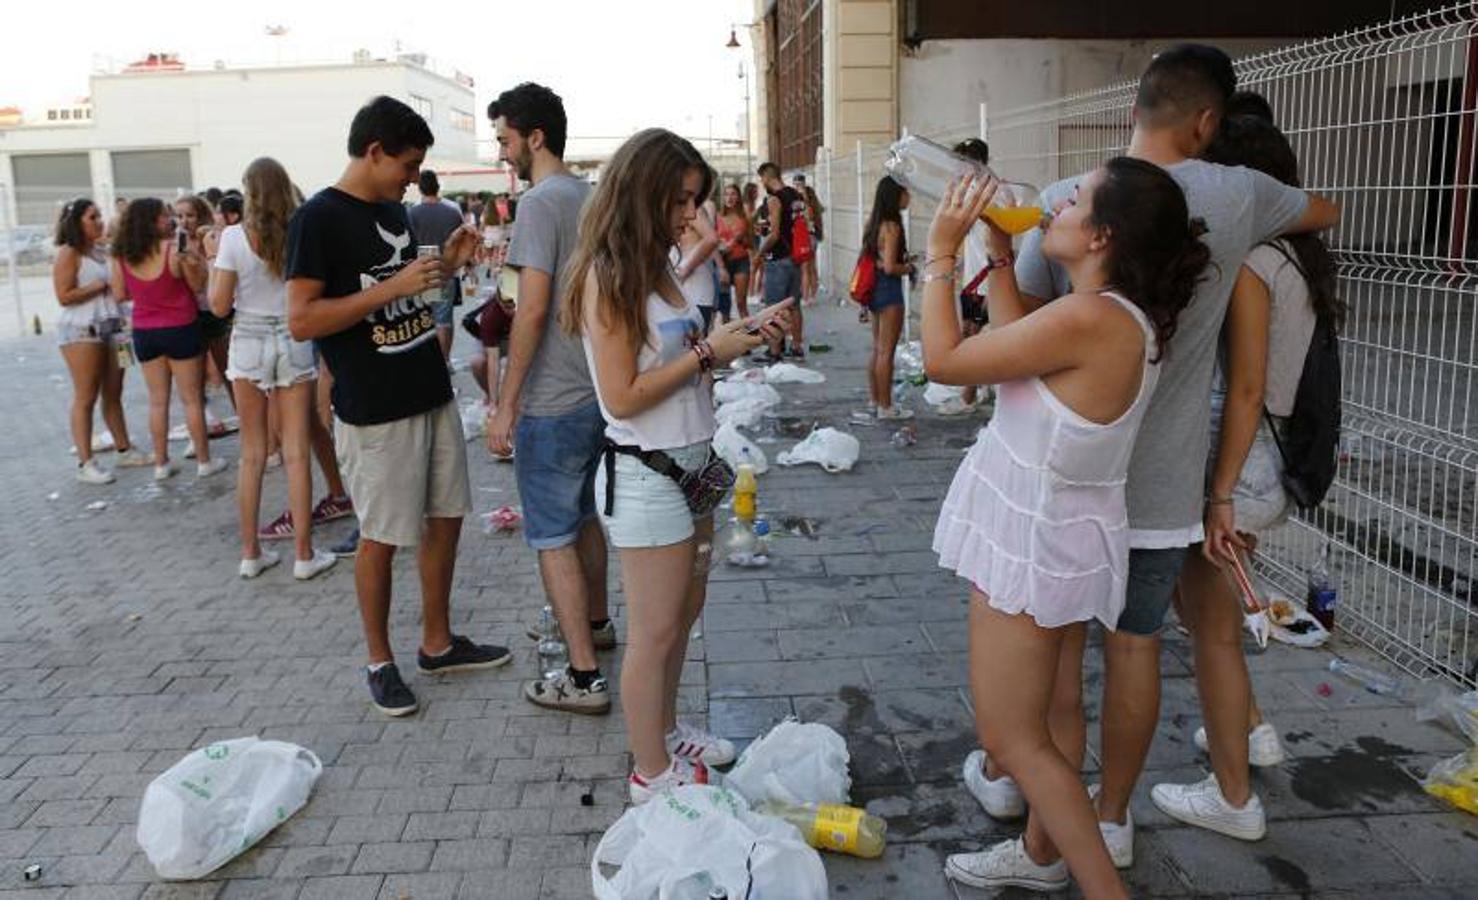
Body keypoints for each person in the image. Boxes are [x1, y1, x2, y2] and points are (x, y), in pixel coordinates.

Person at [967, 44, 1339, 886]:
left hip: (1067, 480)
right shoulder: (1241, 195)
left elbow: (1018, 318)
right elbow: (1326, 210)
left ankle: (1048, 846)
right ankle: (1112, 818)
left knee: (1058, 667)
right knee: (1134, 650)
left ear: (1137, 108)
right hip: (1165, 489)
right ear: (1208, 121)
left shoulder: (1072, 197)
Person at [927, 160, 1209, 899]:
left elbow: (944, 361)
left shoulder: (1092, 317)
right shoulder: (1111, 316)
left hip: (1033, 539)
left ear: (1102, 235)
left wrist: (938, 252)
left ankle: (1099, 887)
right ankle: (1041, 852)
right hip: (1065, 533)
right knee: (1053, 714)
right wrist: (994, 251)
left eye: (1075, 199)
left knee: (1010, 739)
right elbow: (1020, 345)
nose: (1055, 204)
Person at [562, 127, 787, 802]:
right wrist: (708, 355)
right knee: (654, 632)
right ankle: (649, 772)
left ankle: (663, 729)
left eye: (696, 201)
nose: (692, 216)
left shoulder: (663, 265)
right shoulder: (608, 276)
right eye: (681, 201)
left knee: (686, 611)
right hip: (647, 473)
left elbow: (684, 365)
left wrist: (736, 343)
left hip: (697, 462)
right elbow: (625, 396)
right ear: (644, 193)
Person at [1150, 112, 1343, 839]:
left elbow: (1249, 388)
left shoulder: (1256, 264)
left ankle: (1233, 799)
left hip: (1246, 461)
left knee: (1213, 630)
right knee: (1209, 614)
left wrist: (1220, 492)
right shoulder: (1296, 255)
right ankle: (1249, 731)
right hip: (1263, 455)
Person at [286, 95, 509, 717]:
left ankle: (437, 642)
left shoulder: (394, 211)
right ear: (374, 150)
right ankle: (379, 660)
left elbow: (402, 291)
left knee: (446, 517)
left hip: (427, 387)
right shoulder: (317, 219)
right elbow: (301, 320)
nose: (413, 177)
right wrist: (395, 285)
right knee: (381, 537)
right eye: (407, 164)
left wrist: (448, 268)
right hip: (373, 408)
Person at [483, 82, 615, 714]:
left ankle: (583, 676)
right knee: (583, 517)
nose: (503, 152)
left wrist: (506, 404)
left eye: (506, 139)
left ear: (535, 138)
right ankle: (595, 623)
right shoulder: (590, 197)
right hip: (594, 388)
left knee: (552, 534)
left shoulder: (538, 204)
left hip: (552, 396)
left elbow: (529, 309)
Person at [210, 157, 338, 582]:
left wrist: (214, 263)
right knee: (298, 452)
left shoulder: (231, 238)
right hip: (292, 337)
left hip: (247, 339)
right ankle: (304, 554)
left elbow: (218, 305)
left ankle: (251, 553)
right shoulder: (301, 230)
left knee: (252, 453)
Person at [109, 198, 227, 482]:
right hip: (180, 327)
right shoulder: (174, 249)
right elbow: (197, 284)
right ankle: (203, 461)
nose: (171, 220)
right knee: (191, 400)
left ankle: (161, 463)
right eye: (165, 216)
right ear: (152, 221)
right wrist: (193, 257)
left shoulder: (122, 254)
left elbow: (119, 293)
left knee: (157, 401)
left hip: (145, 331)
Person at [52, 198, 148, 482]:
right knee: (86, 394)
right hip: (84, 330)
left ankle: (124, 448)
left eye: (100, 216)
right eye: (93, 217)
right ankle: (86, 462)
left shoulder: (101, 250)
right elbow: (63, 295)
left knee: (114, 390)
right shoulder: (69, 253)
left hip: (115, 327)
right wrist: (98, 286)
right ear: (77, 222)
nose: (100, 221)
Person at [858, 177, 916, 422]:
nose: (909, 197)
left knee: (878, 349)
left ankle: (875, 400)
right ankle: (886, 406)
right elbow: (891, 267)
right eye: (905, 192)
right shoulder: (892, 227)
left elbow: (875, 260)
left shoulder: (874, 224)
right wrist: (910, 268)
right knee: (887, 352)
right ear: (896, 196)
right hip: (889, 290)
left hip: (873, 291)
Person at [947, 137, 993, 415]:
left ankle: (968, 397)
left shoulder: (985, 193)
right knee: (971, 332)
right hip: (974, 274)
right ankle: (974, 389)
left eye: (963, 162)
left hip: (984, 276)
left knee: (972, 333)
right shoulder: (975, 191)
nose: (958, 168)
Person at [177, 194, 235, 414]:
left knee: (228, 370)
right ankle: (203, 421)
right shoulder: (180, 242)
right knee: (195, 377)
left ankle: (243, 414)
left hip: (215, 309)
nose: (184, 221)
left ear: (201, 215)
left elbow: (210, 277)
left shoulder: (212, 237)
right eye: (179, 216)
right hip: (192, 312)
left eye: (189, 215)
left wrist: (199, 255)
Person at [409, 170, 467, 360]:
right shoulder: (452, 212)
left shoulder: (412, 213)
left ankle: (430, 363)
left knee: (425, 318)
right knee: (443, 319)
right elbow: (462, 243)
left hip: (421, 267)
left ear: (420, 188)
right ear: (438, 186)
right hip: (446, 267)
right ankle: (445, 361)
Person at [753, 162, 808, 359]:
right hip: (795, 257)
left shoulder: (774, 199)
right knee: (794, 305)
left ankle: (774, 350)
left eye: (762, 179)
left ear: (767, 177)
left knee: (774, 307)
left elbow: (775, 234)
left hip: (777, 259)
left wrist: (759, 254)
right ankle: (797, 345)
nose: (762, 183)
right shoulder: (796, 196)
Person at [674, 169, 719, 331]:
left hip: (694, 290)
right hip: (687, 290)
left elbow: (711, 238)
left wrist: (685, 269)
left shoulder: (697, 209)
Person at [716, 183, 753, 320]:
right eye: (726, 194)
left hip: (740, 262)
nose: (729, 197)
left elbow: (751, 244)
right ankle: (728, 339)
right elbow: (711, 240)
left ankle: (750, 336)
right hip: (723, 263)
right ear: (723, 198)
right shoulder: (717, 217)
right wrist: (721, 244)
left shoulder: (745, 217)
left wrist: (741, 240)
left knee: (741, 304)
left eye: (733, 194)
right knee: (724, 307)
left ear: (738, 197)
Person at [794, 174, 825, 307]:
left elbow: (807, 217)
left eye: (797, 185)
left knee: (805, 268)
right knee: (812, 267)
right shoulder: (812, 199)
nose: (796, 188)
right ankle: (812, 296)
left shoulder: (805, 202)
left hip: (805, 237)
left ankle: (806, 297)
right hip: (812, 237)